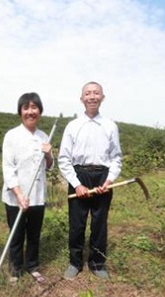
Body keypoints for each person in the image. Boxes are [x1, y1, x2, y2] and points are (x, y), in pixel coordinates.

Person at [58, 81, 123, 280]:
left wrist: (110, 179)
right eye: (88, 93)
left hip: (102, 177)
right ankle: (75, 262)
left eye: (96, 93)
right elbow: (63, 158)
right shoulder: (73, 126)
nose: (92, 96)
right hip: (79, 176)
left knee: (99, 222)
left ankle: (97, 263)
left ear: (102, 97)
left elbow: (116, 157)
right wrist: (77, 184)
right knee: (77, 223)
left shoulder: (110, 126)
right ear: (82, 99)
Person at [1, 92, 53, 283]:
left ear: (39, 111)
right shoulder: (11, 136)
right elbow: (8, 168)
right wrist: (19, 194)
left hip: (38, 196)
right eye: (26, 108)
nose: (30, 111)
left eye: (34, 107)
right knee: (16, 233)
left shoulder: (44, 136)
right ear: (20, 111)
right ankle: (15, 269)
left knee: (34, 233)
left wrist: (48, 154)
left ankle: (32, 265)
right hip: (16, 197)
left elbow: (49, 166)